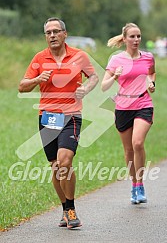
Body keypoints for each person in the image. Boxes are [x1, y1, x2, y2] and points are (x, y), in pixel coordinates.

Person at [18, 17, 99, 228]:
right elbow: (22, 86)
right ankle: (65, 209)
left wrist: (86, 89)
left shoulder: (79, 56)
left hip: (71, 115)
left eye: (56, 31)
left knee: (65, 161)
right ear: (46, 36)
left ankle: (71, 210)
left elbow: (93, 77)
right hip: (47, 117)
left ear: (65, 34)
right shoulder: (39, 58)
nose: (52, 35)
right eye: (48, 33)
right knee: (56, 167)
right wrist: (37, 80)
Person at [101, 23, 156, 204]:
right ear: (124, 39)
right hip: (123, 106)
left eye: (138, 36)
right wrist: (115, 77)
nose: (136, 40)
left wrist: (151, 83)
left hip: (143, 103)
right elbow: (104, 86)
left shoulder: (148, 57)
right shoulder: (116, 60)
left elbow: (151, 73)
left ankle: (140, 185)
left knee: (138, 142)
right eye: (132, 37)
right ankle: (133, 185)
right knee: (128, 150)